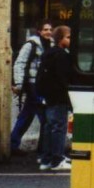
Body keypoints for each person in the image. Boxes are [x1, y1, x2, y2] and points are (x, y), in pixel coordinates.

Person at [11, 22, 52, 155]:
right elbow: (20, 63)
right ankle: (44, 148)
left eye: (50, 29)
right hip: (33, 84)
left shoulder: (51, 45)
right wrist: (18, 84)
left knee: (27, 115)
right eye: (45, 29)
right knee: (44, 117)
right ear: (39, 31)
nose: (48, 32)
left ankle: (13, 144)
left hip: (43, 84)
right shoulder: (30, 45)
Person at [36, 25, 73, 172]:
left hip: (48, 96)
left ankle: (46, 159)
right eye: (68, 37)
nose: (70, 40)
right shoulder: (62, 55)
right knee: (58, 127)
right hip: (59, 96)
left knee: (48, 127)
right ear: (60, 39)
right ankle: (57, 159)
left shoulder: (48, 53)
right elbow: (63, 78)